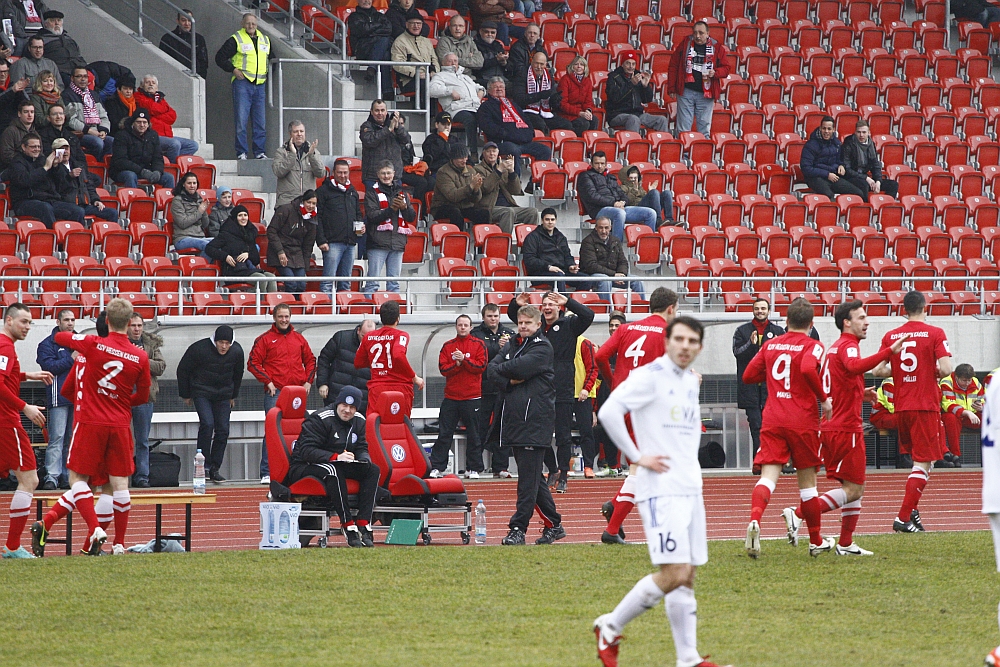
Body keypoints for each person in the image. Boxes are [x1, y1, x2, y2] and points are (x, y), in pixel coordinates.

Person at [594, 316, 731, 667]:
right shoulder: (649, 377)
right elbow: (610, 411)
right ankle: (610, 625)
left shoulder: (688, 381)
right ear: (667, 341)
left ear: (699, 347)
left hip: (690, 487)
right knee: (674, 572)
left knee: (688, 575)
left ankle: (688, 658)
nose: (686, 346)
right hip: (660, 490)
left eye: (692, 341)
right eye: (679, 339)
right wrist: (638, 455)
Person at [781, 300, 906, 557]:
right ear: (846, 322)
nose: (867, 321)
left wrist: (862, 393)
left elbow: (840, 384)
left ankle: (846, 543)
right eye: (861, 317)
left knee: (855, 484)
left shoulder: (837, 348)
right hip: (844, 428)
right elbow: (853, 367)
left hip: (837, 425)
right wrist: (887, 352)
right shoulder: (848, 347)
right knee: (854, 489)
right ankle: (799, 513)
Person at [35, 298, 151, 557]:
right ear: (131, 322)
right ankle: (118, 543)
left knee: (78, 479)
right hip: (120, 423)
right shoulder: (140, 355)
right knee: (118, 483)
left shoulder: (92, 347)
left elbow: (63, 339)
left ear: (107, 321)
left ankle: (94, 529)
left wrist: (71, 336)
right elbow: (143, 396)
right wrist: (122, 402)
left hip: (91, 421)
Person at [742, 297, 834, 559]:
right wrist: (824, 399)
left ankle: (755, 519)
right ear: (811, 324)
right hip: (801, 420)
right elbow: (806, 368)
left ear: (786, 322)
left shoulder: (771, 345)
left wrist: (771, 376)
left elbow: (748, 375)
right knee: (808, 485)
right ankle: (816, 540)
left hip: (772, 417)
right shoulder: (814, 346)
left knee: (768, 476)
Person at [595, 287, 677, 545]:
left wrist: (611, 382)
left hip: (623, 401)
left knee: (643, 467)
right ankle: (612, 527)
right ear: (671, 309)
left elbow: (600, 355)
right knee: (642, 469)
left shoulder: (626, 328)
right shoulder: (668, 333)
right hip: (645, 406)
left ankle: (616, 504)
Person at [485, 304, 564, 545]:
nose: (523, 326)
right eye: (520, 322)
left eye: (528, 323)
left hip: (534, 421)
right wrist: (509, 381)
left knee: (527, 481)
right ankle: (555, 524)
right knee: (533, 479)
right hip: (515, 419)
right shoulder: (513, 344)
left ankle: (518, 528)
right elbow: (491, 370)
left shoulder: (542, 348)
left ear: (538, 325)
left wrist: (502, 371)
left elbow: (515, 367)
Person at [874, 290, 953, 533]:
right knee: (923, 463)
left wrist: (899, 372)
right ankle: (903, 517)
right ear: (924, 307)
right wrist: (932, 370)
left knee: (921, 463)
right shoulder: (935, 333)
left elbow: (877, 370)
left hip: (902, 406)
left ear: (904, 309)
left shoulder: (892, 335)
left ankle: (913, 510)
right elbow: (947, 368)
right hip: (925, 405)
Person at [508, 289, 594, 492]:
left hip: (563, 387)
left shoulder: (570, 325)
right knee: (540, 434)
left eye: (552, 304)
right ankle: (553, 468)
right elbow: (519, 319)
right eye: (544, 304)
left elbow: (588, 316)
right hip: (539, 387)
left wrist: (569, 302)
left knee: (563, 435)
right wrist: (515, 304)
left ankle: (563, 474)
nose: (547, 307)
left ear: (559, 307)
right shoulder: (537, 327)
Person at [286, 385, 380, 547]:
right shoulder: (320, 418)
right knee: (333, 470)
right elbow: (306, 451)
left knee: (372, 469)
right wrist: (335, 457)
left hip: (338, 463)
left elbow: (361, 446)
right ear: (337, 403)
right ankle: (347, 524)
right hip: (304, 466)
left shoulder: (359, 420)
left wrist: (363, 459)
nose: (347, 411)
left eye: (352, 407)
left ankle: (364, 522)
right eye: (344, 405)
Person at [0, 304, 53, 558]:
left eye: (31, 323)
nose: (28, 327)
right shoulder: (5, 346)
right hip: (6, 422)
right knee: (29, 480)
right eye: (23, 321)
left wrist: (25, 375)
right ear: (8, 320)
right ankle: (11, 547)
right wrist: (26, 407)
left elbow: (5, 376)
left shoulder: (5, 347)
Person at [249, 303, 316, 484]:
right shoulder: (264, 339)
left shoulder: (299, 339)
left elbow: (310, 360)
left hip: (297, 393)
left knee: (302, 429)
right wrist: (267, 381)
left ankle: (298, 467)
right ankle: (267, 471)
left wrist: (308, 381)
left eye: (286, 316)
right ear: (274, 318)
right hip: (276, 392)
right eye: (280, 316)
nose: (284, 320)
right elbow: (253, 363)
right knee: (272, 431)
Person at [176, 325, 245, 483]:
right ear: (215, 341)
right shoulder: (199, 349)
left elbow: (238, 374)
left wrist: (233, 396)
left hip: (224, 394)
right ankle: (203, 466)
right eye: (220, 342)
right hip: (202, 391)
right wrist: (185, 394)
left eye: (227, 343)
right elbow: (183, 370)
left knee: (223, 430)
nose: (223, 346)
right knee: (207, 424)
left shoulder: (237, 351)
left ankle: (215, 468)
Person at [431, 315, 488, 478]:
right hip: (451, 397)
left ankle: (474, 468)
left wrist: (464, 360)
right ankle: (437, 467)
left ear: (471, 327)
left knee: (474, 434)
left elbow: (481, 367)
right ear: (456, 327)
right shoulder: (448, 346)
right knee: (444, 433)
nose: (463, 327)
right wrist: (457, 364)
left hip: (472, 397)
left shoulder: (479, 344)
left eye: (466, 325)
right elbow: (443, 369)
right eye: (460, 325)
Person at [732, 298, 784, 464]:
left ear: (768, 311)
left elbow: (784, 357)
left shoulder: (778, 331)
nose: (760, 311)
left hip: (772, 388)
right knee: (756, 426)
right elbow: (738, 353)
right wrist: (751, 343)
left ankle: (775, 461)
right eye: (757, 308)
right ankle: (759, 462)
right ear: (753, 310)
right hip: (750, 389)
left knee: (773, 427)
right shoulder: (742, 331)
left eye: (763, 308)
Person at [215, 13, 271, 159]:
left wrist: (267, 74)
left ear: (257, 24)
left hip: (260, 85)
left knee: (260, 122)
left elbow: (273, 60)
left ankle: (260, 152)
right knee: (241, 121)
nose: (250, 26)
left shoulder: (265, 40)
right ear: (242, 24)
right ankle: (242, 152)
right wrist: (233, 69)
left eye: (253, 23)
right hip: (243, 84)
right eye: (248, 23)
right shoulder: (236, 39)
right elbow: (219, 57)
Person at [354, 299, 424, 417]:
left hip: (377, 387)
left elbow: (358, 362)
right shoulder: (401, 335)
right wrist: (414, 377)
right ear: (398, 319)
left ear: (381, 318)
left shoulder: (369, 336)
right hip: (400, 387)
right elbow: (398, 355)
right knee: (400, 423)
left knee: (376, 424)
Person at [477, 77, 551, 178]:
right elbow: (487, 126)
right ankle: (515, 184)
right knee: (513, 150)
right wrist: (506, 134)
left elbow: (526, 120)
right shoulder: (486, 107)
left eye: (501, 87)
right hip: (502, 142)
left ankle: (535, 182)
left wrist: (530, 133)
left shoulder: (513, 104)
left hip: (523, 141)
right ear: (489, 91)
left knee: (545, 150)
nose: (499, 89)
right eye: (496, 87)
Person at [471, 303, 514, 477]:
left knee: (502, 427)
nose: (493, 319)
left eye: (496, 316)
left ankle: (501, 467)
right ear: (483, 317)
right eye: (489, 316)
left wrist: (508, 346)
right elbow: (478, 355)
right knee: (479, 428)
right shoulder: (476, 334)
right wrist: (498, 348)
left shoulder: (510, 333)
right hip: (483, 388)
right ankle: (475, 466)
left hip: (503, 387)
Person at [7, 132, 85, 226]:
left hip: (49, 200)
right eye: (33, 147)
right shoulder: (17, 162)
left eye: (38, 147)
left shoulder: (43, 159)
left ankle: (72, 239)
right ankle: (53, 237)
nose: (37, 149)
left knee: (78, 211)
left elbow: (62, 183)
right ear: (24, 147)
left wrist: (56, 166)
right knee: (45, 208)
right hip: (25, 202)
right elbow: (24, 181)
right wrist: (45, 168)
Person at [35, 308, 75, 490]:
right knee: (57, 437)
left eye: (73, 320)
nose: (70, 323)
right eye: (66, 320)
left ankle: (68, 475)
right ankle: (52, 476)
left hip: (78, 397)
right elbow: (49, 366)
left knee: (72, 439)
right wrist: (71, 359)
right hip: (58, 397)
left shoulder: (80, 341)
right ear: (58, 322)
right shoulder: (47, 344)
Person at [667, 21, 730, 135]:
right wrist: (672, 87)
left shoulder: (717, 47)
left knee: (704, 129)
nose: (697, 36)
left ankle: (702, 152)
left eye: (701, 33)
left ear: (707, 34)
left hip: (706, 93)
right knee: (683, 129)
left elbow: (726, 68)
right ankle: (684, 153)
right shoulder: (685, 43)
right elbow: (674, 65)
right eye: (695, 33)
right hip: (686, 91)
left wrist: (715, 72)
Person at [577, 151, 657, 241]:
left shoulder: (610, 177)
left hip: (618, 207)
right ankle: (616, 248)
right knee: (620, 213)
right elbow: (592, 196)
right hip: (599, 210)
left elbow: (622, 194)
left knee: (651, 213)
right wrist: (614, 203)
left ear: (606, 164)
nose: (599, 166)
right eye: (596, 163)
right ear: (591, 164)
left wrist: (623, 202)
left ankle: (647, 244)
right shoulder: (585, 176)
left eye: (602, 163)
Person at [364, 160, 415, 294]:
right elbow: (372, 216)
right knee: (372, 283)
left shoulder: (402, 193)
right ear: (378, 175)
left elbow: (411, 217)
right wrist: (391, 209)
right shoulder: (372, 192)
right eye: (383, 173)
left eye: (388, 173)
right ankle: (370, 310)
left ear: (394, 174)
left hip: (397, 242)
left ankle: (392, 312)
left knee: (394, 284)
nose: (386, 176)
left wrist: (404, 208)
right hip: (378, 242)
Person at [127, 313, 165, 489]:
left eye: (139, 325)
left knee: (142, 440)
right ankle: (121, 475)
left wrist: (142, 359)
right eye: (133, 325)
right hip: (123, 396)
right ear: (127, 326)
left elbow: (160, 367)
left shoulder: (151, 344)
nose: (136, 329)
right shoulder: (121, 343)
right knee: (122, 440)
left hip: (144, 396)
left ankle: (142, 476)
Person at [316, 158, 364, 294]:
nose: (343, 176)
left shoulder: (352, 192)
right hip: (332, 243)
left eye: (345, 173)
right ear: (333, 173)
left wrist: (360, 228)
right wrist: (321, 240)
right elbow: (317, 217)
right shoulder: (323, 191)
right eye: (340, 173)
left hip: (350, 243)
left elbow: (358, 214)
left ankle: (343, 311)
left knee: (345, 282)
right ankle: (326, 311)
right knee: (327, 282)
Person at [205, 204, 277, 293]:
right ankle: (256, 305)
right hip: (233, 270)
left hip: (248, 269)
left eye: (245, 215)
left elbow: (256, 259)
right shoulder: (226, 234)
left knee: (272, 278)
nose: (243, 218)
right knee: (261, 279)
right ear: (235, 217)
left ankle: (271, 305)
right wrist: (225, 256)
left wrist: (248, 254)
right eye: (240, 215)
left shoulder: (250, 233)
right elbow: (209, 248)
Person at [427, 55, 483, 160]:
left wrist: (481, 92)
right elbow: (432, 90)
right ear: (443, 63)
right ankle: (474, 152)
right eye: (450, 61)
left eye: (455, 61)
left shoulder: (465, 77)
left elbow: (478, 87)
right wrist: (450, 91)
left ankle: (491, 150)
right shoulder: (440, 76)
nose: (453, 63)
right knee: (470, 119)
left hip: (474, 107)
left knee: (490, 116)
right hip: (456, 109)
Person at [473, 141, 537, 233]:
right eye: (488, 151)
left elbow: (516, 190)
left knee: (532, 212)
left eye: (494, 151)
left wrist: (511, 171)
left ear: (498, 153)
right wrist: (498, 170)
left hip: (508, 206)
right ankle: (505, 244)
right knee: (508, 212)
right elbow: (485, 188)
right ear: (483, 153)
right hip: (489, 207)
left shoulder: (503, 169)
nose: (491, 154)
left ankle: (530, 244)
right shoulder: (477, 169)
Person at [579, 216, 644, 304]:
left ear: (610, 227)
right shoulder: (587, 242)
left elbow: (623, 262)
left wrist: (622, 274)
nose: (604, 231)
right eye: (601, 228)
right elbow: (591, 266)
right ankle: (607, 311)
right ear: (596, 228)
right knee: (605, 280)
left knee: (637, 280)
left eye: (606, 228)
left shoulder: (615, 240)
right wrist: (613, 274)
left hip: (613, 275)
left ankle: (642, 308)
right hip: (592, 275)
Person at [49, 137, 116, 222]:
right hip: (65, 204)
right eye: (61, 149)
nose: (65, 152)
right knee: (79, 211)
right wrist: (69, 176)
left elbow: (89, 185)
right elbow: (57, 188)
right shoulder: (52, 168)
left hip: (83, 204)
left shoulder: (78, 165)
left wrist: (95, 200)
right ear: (54, 152)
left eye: (66, 149)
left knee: (112, 213)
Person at [136, 74, 199, 163]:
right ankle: (172, 168)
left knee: (193, 145)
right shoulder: (138, 96)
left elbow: (172, 116)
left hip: (167, 135)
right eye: (147, 82)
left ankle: (167, 161)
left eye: (153, 83)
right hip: (152, 136)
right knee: (175, 144)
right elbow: (151, 108)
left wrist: (155, 114)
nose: (151, 84)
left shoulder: (160, 98)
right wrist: (163, 110)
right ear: (142, 86)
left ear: (157, 87)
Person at [593, 311, 627, 475]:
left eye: (617, 325)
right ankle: (611, 465)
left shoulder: (629, 347)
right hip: (606, 394)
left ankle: (624, 465)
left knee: (625, 429)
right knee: (606, 429)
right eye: (611, 325)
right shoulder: (605, 348)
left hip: (624, 395)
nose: (613, 328)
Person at [267, 190, 319, 295]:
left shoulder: (312, 219)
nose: (311, 206)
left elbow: (308, 245)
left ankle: (298, 308)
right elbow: (271, 231)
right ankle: (288, 307)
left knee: (301, 285)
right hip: (281, 251)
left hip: (297, 254)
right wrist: (280, 251)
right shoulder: (286, 210)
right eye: (308, 202)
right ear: (303, 201)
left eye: (314, 204)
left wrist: (305, 266)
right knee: (291, 284)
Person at [317, 319, 376, 412]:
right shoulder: (341, 338)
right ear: (358, 330)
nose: (366, 340)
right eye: (363, 336)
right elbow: (324, 359)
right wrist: (322, 383)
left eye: (370, 337)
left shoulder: (379, 346)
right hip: (336, 395)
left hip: (362, 400)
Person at [800, 116, 866, 199]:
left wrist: (841, 166)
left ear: (833, 129)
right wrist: (827, 174)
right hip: (815, 178)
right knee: (828, 195)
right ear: (820, 128)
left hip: (833, 177)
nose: (826, 131)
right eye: (824, 128)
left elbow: (840, 160)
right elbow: (806, 168)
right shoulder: (811, 145)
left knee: (858, 193)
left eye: (829, 129)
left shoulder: (836, 143)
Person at [430, 144, 491, 231]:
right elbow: (452, 196)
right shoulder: (443, 172)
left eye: (465, 157)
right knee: (455, 213)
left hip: (464, 206)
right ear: (453, 158)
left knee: (484, 213)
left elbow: (477, 199)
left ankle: (483, 242)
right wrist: (470, 187)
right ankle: (457, 241)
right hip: (443, 206)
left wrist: (476, 190)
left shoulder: (471, 171)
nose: (464, 160)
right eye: (460, 158)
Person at [605, 50, 669, 133]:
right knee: (633, 119)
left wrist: (645, 87)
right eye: (628, 63)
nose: (631, 66)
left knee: (662, 120)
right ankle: (634, 145)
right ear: (622, 64)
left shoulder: (638, 76)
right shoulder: (613, 77)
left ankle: (660, 145)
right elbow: (615, 98)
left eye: (633, 64)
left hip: (638, 114)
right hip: (617, 114)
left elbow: (647, 100)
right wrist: (631, 84)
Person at [511, 51, 573, 134]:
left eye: (542, 64)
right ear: (531, 62)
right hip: (527, 111)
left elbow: (551, 99)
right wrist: (540, 95)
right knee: (540, 125)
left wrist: (555, 100)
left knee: (567, 125)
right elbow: (518, 99)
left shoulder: (549, 76)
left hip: (545, 112)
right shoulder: (522, 74)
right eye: (536, 63)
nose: (539, 67)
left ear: (546, 65)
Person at [111, 109, 175, 188]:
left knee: (169, 177)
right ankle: (133, 199)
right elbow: (120, 161)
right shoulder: (121, 135)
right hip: (123, 171)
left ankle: (169, 199)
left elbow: (158, 157)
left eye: (145, 122)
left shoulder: (153, 135)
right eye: (138, 122)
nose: (142, 125)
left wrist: (157, 171)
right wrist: (142, 171)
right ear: (133, 123)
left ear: (148, 124)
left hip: (146, 170)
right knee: (131, 176)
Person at [520, 207, 579, 290]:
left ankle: (577, 301)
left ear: (556, 220)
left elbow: (567, 255)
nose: (550, 222)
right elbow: (529, 260)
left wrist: (570, 265)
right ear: (542, 221)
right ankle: (563, 302)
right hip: (541, 273)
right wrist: (548, 267)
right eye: (547, 219)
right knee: (559, 277)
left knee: (585, 279)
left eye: (552, 219)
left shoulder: (560, 237)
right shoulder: (532, 237)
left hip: (561, 270)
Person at [840, 119, 899, 202]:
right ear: (855, 132)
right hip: (851, 177)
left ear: (869, 133)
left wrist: (878, 181)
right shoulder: (849, 143)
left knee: (893, 184)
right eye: (859, 132)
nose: (861, 135)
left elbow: (875, 165)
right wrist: (866, 178)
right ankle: (866, 209)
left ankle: (886, 206)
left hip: (864, 176)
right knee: (864, 185)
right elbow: (847, 169)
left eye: (864, 132)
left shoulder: (871, 144)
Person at [62, 66, 112, 160]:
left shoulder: (94, 95)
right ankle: (91, 166)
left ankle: (104, 170)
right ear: (72, 78)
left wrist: (103, 131)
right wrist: (89, 131)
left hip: (96, 132)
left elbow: (104, 116)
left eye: (85, 76)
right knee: (98, 143)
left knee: (112, 141)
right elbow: (71, 121)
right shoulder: (66, 95)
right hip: (79, 134)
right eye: (79, 76)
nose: (83, 79)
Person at [360, 99, 413, 186]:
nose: (380, 113)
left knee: (396, 200)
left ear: (386, 112)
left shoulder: (394, 125)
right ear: (371, 112)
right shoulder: (366, 126)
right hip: (373, 177)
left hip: (394, 177)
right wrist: (388, 130)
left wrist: (397, 128)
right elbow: (370, 141)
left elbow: (406, 140)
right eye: (377, 110)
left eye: (382, 110)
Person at [348, 0, 394, 98]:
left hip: (378, 49)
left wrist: (371, 31)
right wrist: (378, 27)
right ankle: (387, 91)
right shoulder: (354, 16)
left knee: (385, 53)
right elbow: (362, 29)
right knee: (384, 41)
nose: (366, 1)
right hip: (363, 49)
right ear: (358, 1)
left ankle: (372, 68)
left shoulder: (380, 15)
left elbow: (389, 29)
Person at [940, 363, 984, 468]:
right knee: (951, 418)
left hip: (972, 414)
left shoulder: (976, 383)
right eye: (964, 380)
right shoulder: (947, 382)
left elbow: (983, 399)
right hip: (956, 415)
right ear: (956, 377)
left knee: (990, 420)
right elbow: (948, 405)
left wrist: (982, 407)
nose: (967, 383)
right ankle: (955, 455)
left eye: (969, 380)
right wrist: (966, 412)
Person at [273, 120, 324, 207]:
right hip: (287, 203)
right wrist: (292, 155)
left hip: (307, 204)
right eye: (296, 131)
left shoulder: (313, 152)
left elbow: (320, 173)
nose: (299, 134)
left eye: (301, 131)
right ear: (290, 134)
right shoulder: (281, 152)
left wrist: (311, 156)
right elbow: (278, 172)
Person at [391, 11, 439, 103]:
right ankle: (429, 115)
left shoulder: (426, 41)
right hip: (409, 80)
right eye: (412, 23)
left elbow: (435, 60)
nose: (416, 26)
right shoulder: (400, 41)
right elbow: (397, 64)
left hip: (429, 76)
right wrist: (416, 73)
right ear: (407, 25)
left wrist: (435, 72)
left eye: (418, 23)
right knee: (428, 84)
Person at [573, 334, 599, 476]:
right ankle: (560, 467)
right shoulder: (558, 340)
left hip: (582, 395)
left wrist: (586, 388)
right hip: (564, 394)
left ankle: (588, 466)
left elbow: (593, 368)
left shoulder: (584, 343)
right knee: (562, 433)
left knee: (586, 432)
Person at [159, 9, 208, 79]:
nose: (187, 23)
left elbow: (204, 61)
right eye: (183, 20)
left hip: (195, 78)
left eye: (189, 20)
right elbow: (163, 61)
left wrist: (201, 78)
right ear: (178, 21)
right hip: (174, 77)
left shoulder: (199, 39)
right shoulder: (167, 38)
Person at [170, 172, 211, 254]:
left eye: (194, 183)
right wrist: (199, 211)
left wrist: (204, 211)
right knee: (208, 245)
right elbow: (183, 223)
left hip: (200, 236)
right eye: (189, 183)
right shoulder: (177, 200)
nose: (192, 186)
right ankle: (204, 266)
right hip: (183, 238)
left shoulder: (199, 199)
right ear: (183, 185)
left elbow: (205, 224)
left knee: (220, 242)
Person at [558, 56, 599, 136]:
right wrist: (580, 113)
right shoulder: (565, 80)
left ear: (585, 67)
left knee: (594, 120)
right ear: (572, 67)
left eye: (582, 64)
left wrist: (588, 111)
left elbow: (588, 101)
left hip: (581, 113)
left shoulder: (587, 81)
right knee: (583, 123)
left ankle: (588, 145)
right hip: (567, 114)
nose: (579, 66)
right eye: (576, 64)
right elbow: (563, 104)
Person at [37, 10, 84, 76]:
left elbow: (78, 54)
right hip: (59, 71)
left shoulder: (69, 38)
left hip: (79, 69)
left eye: (59, 20)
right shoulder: (40, 40)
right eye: (53, 20)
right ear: (46, 24)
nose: (57, 23)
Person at [422, 111, 463, 181]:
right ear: (437, 125)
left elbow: (464, 154)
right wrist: (442, 139)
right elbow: (432, 155)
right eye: (444, 124)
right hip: (437, 172)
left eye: (449, 124)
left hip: (455, 171)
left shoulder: (455, 140)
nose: (446, 127)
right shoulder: (430, 139)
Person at [0, 97, 35, 167]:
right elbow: (6, 155)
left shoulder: (35, 133)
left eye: (32, 112)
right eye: (26, 112)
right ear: (19, 114)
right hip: (14, 169)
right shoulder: (10, 131)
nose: (29, 115)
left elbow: (40, 154)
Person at [471, 22, 508, 87]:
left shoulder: (498, 45)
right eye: (486, 32)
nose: (489, 34)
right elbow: (477, 67)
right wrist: (496, 60)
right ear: (480, 32)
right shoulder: (474, 45)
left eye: (492, 32)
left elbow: (508, 69)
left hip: (501, 79)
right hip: (483, 79)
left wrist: (504, 63)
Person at [0, 61, 30, 129]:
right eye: (0, 72)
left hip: (15, 126)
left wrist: (20, 90)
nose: (3, 74)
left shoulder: (13, 86)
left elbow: (26, 103)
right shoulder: (13, 88)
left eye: (5, 71)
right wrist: (12, 91)